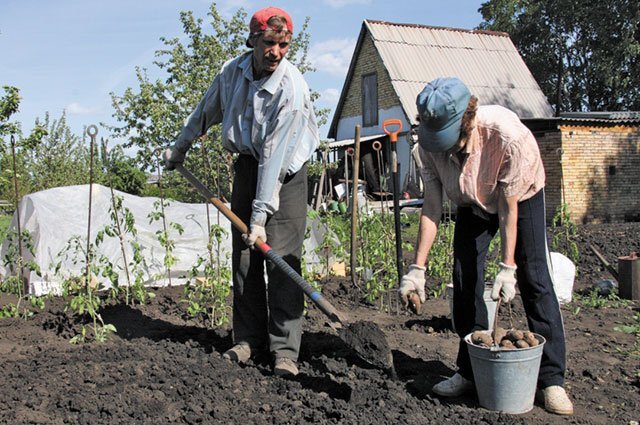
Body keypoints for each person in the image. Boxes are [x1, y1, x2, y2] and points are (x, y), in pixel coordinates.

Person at [399, 77, 574, 415]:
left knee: (534, 278)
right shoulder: (429, 146)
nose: (445, 149)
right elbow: (432, 208)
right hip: (470, 200)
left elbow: (509, 208)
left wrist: (508, 267)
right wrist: (416, 268)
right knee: (464, 276)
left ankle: (552, 379)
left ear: (468, 120)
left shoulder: (507, 137)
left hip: (519, 196)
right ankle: (470, 370)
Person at [164, 6, 320, 377]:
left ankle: (285, 351)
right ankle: (249, 339)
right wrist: (180, 146)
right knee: (245, 257)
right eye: (269, 43)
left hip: (286, 174)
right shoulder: (231, 72)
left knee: (279, 256)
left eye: (283, 45)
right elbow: (206, 111)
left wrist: (261, 216)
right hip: (248, 166)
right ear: (252, 39)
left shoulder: (291, 90)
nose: (276, 52)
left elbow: (276, 156)